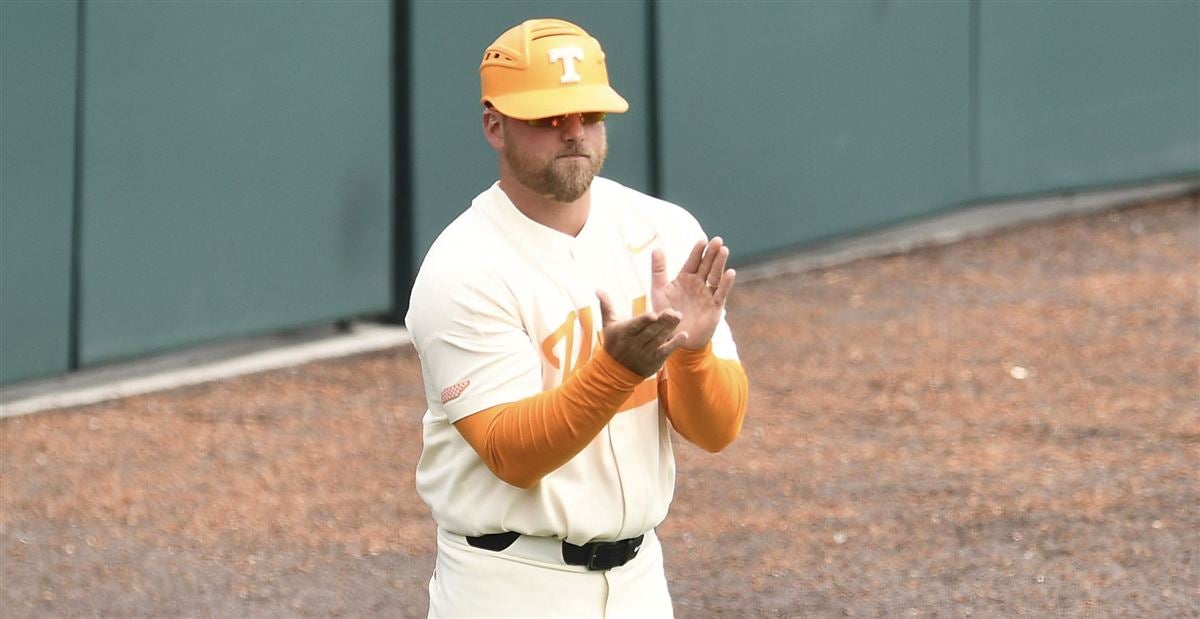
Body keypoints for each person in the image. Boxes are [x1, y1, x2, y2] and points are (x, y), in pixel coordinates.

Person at [406, 17, 750, 618]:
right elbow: (512, 454)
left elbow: (717, 432)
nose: (575, 134)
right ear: (495, 125)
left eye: (589, 116)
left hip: (641, 582)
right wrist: (618, 370)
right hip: (508, 583)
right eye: (548, 119)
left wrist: (692, 354)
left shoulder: (665, 230)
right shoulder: (460, 269)